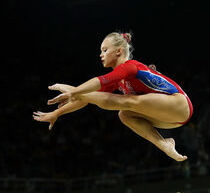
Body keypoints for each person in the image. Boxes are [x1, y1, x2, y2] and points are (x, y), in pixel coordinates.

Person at [33, 32, 193, 161]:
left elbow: (100, 81)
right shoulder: (118, 81)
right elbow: (87, 99)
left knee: (127, 102)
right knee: (124, 114)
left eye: (104, 50)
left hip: (179, 103)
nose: (100, 55)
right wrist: (56, 113)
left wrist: (72, 92)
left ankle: (69, 88)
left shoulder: (129, 67)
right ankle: (164, 143)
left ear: (119, 51)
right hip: (170, 120)